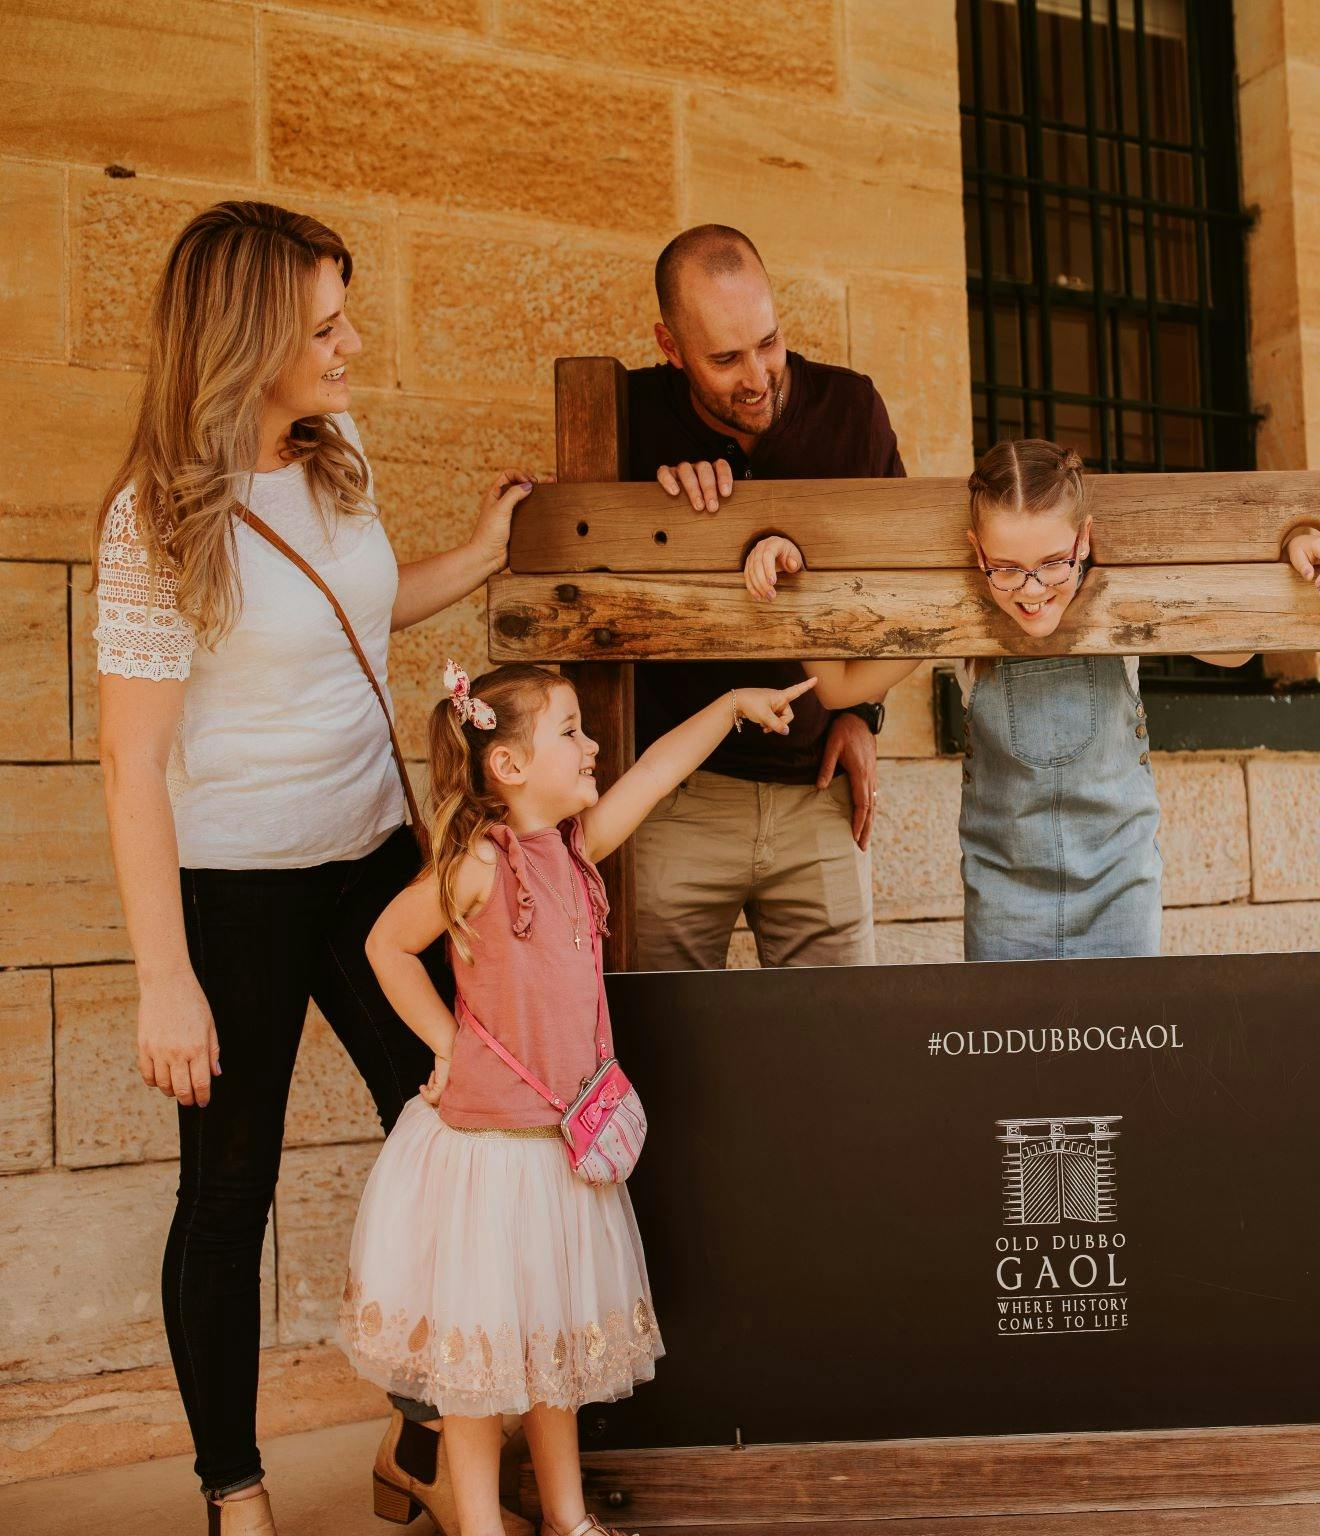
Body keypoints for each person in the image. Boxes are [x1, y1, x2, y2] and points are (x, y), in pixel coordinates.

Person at [91, 201, 536, 1536]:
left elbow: (355, 603)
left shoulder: (334, 446)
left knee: (464, 1126)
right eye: (325, 326)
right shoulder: (155, 520)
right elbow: (129, 766)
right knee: (230, 1190)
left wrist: (479, 553)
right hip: (232, 891)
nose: (353, 345)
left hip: (371, 868)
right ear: (247, 342)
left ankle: (423, 1439)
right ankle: (235, 1489)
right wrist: (163, 979)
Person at [346, 661, 816, 1536]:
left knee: (553, 1355)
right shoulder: (482, 865)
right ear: (509, 766)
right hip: (489, 1159)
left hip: (560, 1159)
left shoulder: (573, 850)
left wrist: (727, 706)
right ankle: (481, 1525)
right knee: (481, 1375)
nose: (592, 742)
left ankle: (568, 1519)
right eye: (569, 729)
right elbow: (385, 945)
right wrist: (448, 1044)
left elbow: (657, 770)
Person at [747, 438, 1320, 960]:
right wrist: (793, 590)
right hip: (1004, 897)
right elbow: (840, 687)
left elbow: (1235, 652)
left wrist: (1297, 542)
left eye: (1052, 563)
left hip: (1121, 887)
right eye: (1005, 567)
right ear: (974, 551)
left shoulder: (1127, 608)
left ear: (1085, 540)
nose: (1032, 591)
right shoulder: (957, 617)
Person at [624, 224, 897, 970]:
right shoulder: (627, 418)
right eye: (724, 357)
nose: (757, 376)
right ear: (670, 346)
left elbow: (896, 586)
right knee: (663, 1049)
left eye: (769, 343)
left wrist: (860, 712)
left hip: (814, 785)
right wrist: (652, 510)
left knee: (839, 1045)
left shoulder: (851, 409)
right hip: (674, 797)